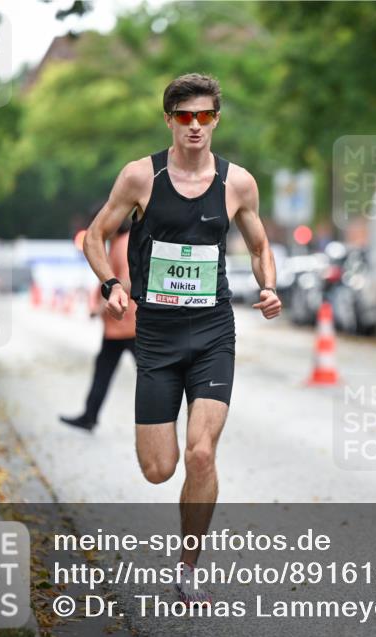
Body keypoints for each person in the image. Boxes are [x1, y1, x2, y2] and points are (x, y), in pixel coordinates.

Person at [82, 73, 281, 606]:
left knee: (200, 454)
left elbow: (260, 244)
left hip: (213, 331)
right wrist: (112, 283)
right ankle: (181, 529)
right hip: (157, 336)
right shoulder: (140, 177)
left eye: (206, 116)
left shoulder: (238, 182)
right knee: (158, 469)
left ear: (216, 119)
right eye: (185, 116)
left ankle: (188, 566)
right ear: (169, 119)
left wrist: (268, 287)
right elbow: (97, 236)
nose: (196, 126)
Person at [60, 219, 136, 432]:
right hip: (118, 326)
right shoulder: (118, 244)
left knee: (151, 373)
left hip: (128, 324)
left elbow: (127, 281)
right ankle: (89, 416)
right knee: (104, 369)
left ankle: (163, 418)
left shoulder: (123, 245)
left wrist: (101, 306)